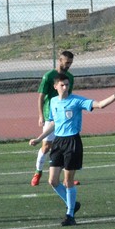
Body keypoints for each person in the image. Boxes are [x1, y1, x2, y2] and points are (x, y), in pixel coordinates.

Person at [29, 74, 115, 226]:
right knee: (53, 181)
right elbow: (54, 123)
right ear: (55, 87)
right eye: (62, 85)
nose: (65, 87)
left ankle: (70, 215)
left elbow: (100, 105)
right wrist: (39, 138)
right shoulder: (54, 101)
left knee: (68, 180)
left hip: (72, 142)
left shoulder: (76, 100)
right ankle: (72, 204)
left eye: (67, 84)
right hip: (58, 142)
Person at [32, 51, 75, 186]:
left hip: (63, 116)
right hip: (50, 115)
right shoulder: (49, 76)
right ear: (60, 61)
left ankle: (67, 177)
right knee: (46, 147)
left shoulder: (70, 77)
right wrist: (41, 115)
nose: (68, 65)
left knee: (65, 147)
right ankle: (38, 172)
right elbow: (41, 97)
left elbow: (68, 97)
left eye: (70, 63)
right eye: (66, 62)